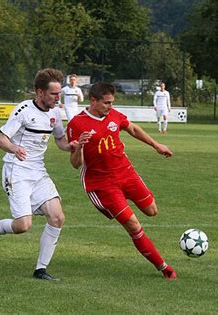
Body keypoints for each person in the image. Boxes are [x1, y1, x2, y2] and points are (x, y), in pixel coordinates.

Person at [0, 68, 80, 281]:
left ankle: (40, 270)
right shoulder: (23, 110)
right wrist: (15, 149)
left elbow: (59, 140)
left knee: (57, 217)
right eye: (53, 94)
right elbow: (1, 140)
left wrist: (71, 146)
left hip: (38, 172)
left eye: (59, 94)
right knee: (23, 226)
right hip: (17, 170)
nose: (58, 99)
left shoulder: (55, 113)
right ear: (39, 92)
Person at [66, 82, 177, 280]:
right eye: (106, 103)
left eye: (111, 102)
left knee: (152, 210)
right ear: (93, 101)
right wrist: (80, 147)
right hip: (102, 184)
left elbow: (132, 129)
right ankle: (163, 267)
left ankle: (159, 262)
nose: (110, 106)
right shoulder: (77, 124)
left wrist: (156, 145)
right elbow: (76, 164)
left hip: (126, 173)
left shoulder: (114, 115)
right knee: (133, 225)